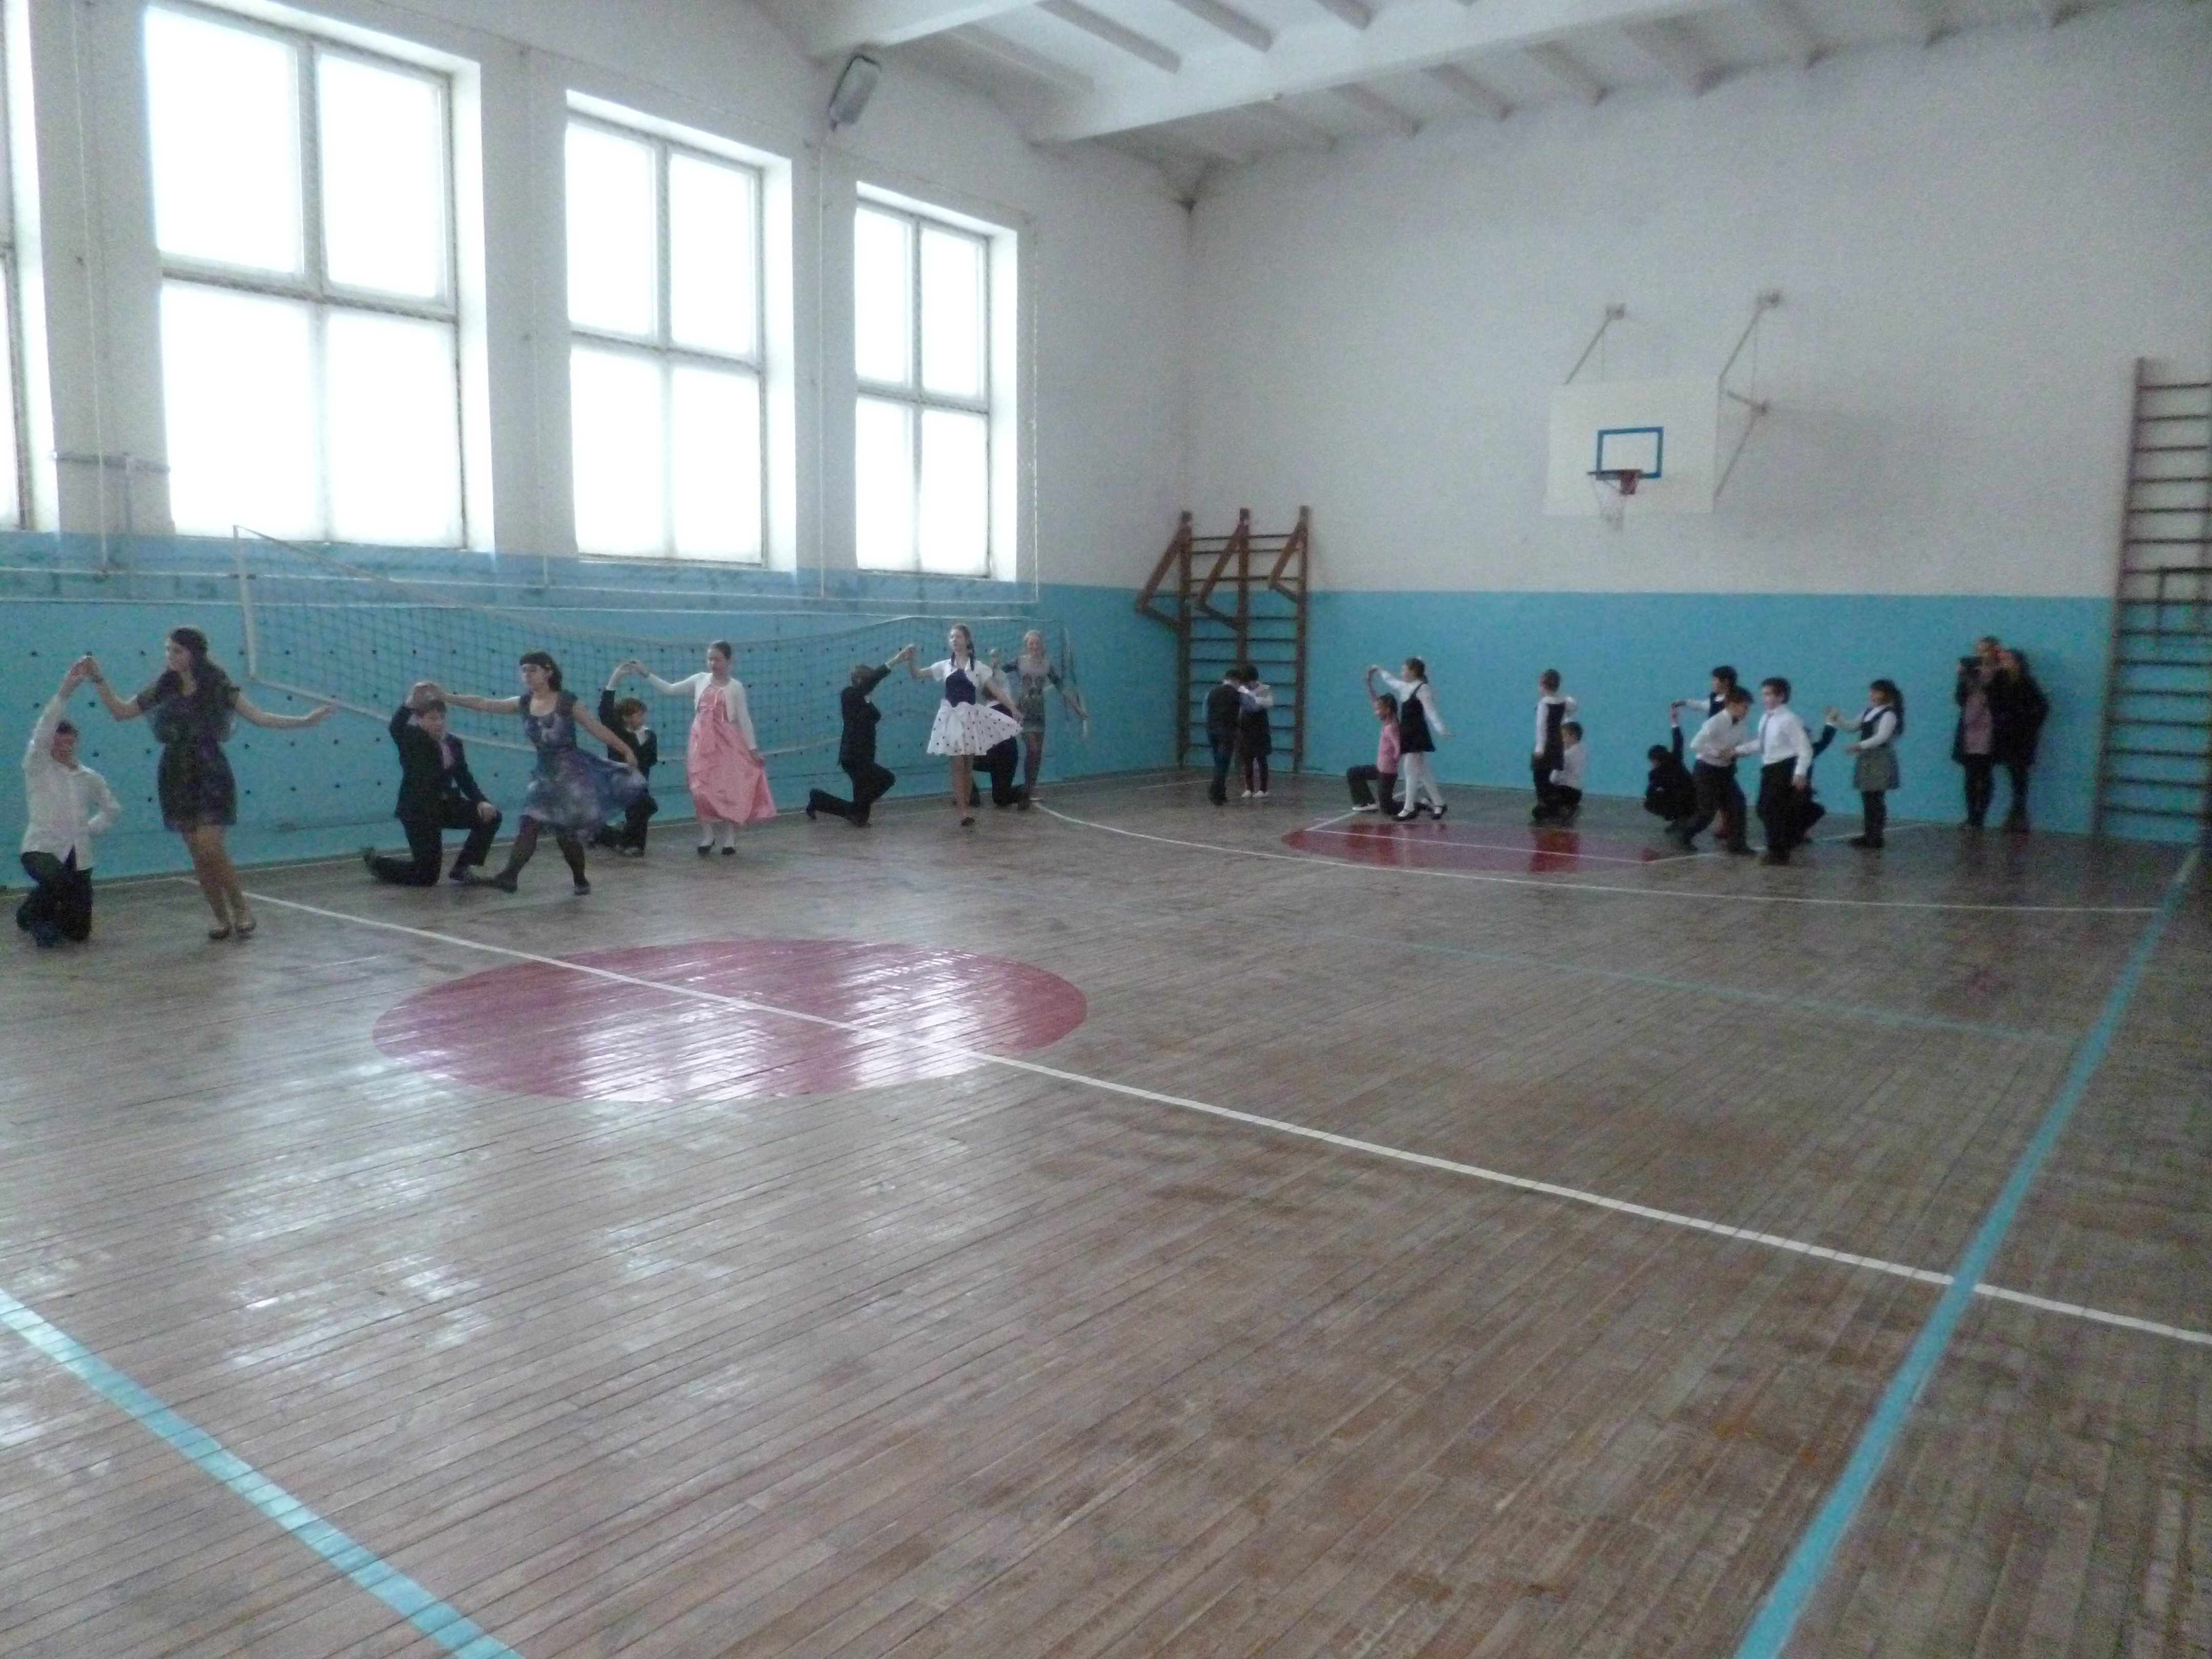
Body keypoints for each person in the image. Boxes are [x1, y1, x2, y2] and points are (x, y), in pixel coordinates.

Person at [81, 626, 333, 939]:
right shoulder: (164, 686)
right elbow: (121, 711)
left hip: (210, 768)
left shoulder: (218, 685)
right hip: (176, 770)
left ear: (194, 653)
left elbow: (260, 717)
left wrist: (304, 721)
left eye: (177, 650)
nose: (170, 656)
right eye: (168, 650)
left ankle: (241, 908)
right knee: (196, 851)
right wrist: (98, 678)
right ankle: (220, 917)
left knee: (210, 845)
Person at [428, 652, 639, 896]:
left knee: (566, 835)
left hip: (570, 777)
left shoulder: (566, 702)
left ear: (548, 672)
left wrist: (626, 750)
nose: (527, 675)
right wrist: (447, 697)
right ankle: (510, 876)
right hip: (544, 776)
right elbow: (484, 703)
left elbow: (596, 728)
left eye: (532, 670)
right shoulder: (524, 703)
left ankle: (580, 880)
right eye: (524, 671)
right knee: (530, 822)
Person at [619, 643, 774, 855]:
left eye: (717, 659)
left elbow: (744, 719)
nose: (713, 663)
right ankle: (708, 834)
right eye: (710, 659)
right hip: (700, 741)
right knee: (700, 788)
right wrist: (647, 674)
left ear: (728, 661)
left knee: (729, 788)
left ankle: (730, 838)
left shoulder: (736, 687)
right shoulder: (700, 679)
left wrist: (752, 749)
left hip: (727, 742)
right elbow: (671, 689)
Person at [18, 659, 120, 946]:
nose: (64, 747)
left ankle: (39, 914)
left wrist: (90, 828)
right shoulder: (38, 767)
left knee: (79, 933)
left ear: (76, 742)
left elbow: (112, 809)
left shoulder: (90, 777)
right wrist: (65, 691)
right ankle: (34, 916)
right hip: (41, 848)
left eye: (69, 742)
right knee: (58, 879)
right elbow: (42, 732)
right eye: (58, 742)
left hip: (80, 855)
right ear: (51, 744)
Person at [360, 684, 501, 886]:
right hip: (418, 811)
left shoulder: (454, 743)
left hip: (445, 806)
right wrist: (411, 702)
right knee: (426, 877)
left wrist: (481, 801)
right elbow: (396, 727)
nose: (439, 723)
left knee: (491, 817)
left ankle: (463, 868)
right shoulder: (412, 739)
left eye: (442, 718)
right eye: (433, 718)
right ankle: (378, 863)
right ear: (420, 720)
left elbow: (464, 777)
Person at [906, 625, 1024, 827]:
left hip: (970, 718)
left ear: (968, 641)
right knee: (958, 765)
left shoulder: (979, 667)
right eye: (952, 637)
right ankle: (963, 811)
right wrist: (912, 660)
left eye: (958, 636)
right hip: (952, 718)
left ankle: (967, 807)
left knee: (968, 766)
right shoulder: (944, 666)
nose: (954, 640)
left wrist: (1013, 708)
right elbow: (917, 674)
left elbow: (996, 690)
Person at [806, 647, 914, 826]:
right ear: (859, 680)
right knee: (887, 779)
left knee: (861, 817)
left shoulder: (867, 701)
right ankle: (848, 808)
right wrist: (895, 661)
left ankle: (819, 799)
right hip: (853, 756)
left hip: (866, 755)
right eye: (868, 680)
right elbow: (873, 681)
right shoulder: (849, 694)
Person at [1001, 629, 1087, 804]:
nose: (1034, 646)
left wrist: (1078, 708)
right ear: (1026, 645)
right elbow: (998, 672)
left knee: (1038, 753)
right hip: (1023, 711)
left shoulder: (1047, 666)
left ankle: (1031, 788)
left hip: (1039, 713)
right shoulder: (1019, 662)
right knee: (1032, 749)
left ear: (1041, 645)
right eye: (1031, 643)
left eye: (1037, 643)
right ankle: (1026, 788)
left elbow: (1062, 688)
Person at [1669, 686, 1755, 854]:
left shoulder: (1741, 725)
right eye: (1745, 707)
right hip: (1706, 771)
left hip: (1725, 771)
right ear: (1733, 705)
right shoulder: (1715, 722)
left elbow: (1743, 747)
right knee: (1707, 812)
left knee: (1738, 804)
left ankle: (1737, 845)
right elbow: (1696, 744)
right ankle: (1684, 835)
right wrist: (1717, 753)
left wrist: (1736, 752)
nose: (1747, 711)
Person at [1823, 679, 1905, 850]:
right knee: (1867, 798)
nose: (1872, 695)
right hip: (1867, 757)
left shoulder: (1889, 714)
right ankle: (1869, 834)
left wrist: (1859, 746)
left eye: (1876, 692)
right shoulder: (1869, 711)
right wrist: (1838, 718)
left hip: (1880, 758)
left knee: (1876, 798)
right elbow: (1852, 727)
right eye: (1871, 691)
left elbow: (1882, 737)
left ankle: (1876, 836)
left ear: (1886, 695)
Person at [1743, 676, 1815, 865]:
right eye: (1763, 694)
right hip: (1769, 767)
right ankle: (1785, 842)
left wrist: (1800, 773)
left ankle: (1778, 852)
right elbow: (1763, 743)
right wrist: (1738, 750)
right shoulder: (1766, 717)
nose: (1765, 698)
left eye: (1769, 694)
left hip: (1784, 767)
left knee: (1771, 810)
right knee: (1764, 809)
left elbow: (1804, 749)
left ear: (1781, 696)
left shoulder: (1789, 720)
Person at [1369, 659, 1448, 820]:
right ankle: (1439, 803)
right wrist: (1380, 670)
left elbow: (1431, 711)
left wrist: (1441, 728)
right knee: (1422, 771)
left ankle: (1409, 807)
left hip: (1417, 734)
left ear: (1413, 672)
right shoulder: (1406, 687)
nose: (1402, 672)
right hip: (1408, 733)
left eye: (1404, 670)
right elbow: (1391, 681)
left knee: (1410, 769)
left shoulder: (1423, 688)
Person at [594, 673, 659, 856]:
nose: (642, 718)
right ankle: (615, 839)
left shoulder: (650, 735)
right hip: (618, 781)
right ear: (625, 717)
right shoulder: (618, 734)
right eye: (638, 715)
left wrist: (639, 771)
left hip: (640, 781)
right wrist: (614, 679)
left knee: (641, 808)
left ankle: (632, 844)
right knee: (645, 804)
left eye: (642, 715)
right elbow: (605, 711)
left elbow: (651, 760)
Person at [1989, 647, 2050, 833]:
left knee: (2019, 775)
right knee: (2014, 774)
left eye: (2008, 660)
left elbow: (2042, 707)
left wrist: (2028, 725)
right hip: (2006, 735)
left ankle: (2019, 815)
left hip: (2022, 737)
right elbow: (1993, 703)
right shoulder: (1999, 682)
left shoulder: (2027, 682)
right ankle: (2016, 815)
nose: (2003, 663)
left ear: (2018, 663)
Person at [1952, 635, 2003, 828]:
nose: (1982, 655)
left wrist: (1985, 680)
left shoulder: (2001, 673)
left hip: (1990, 726)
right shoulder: (1971, 672)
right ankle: (1971, 815)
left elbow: (2000, 698)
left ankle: (1981, 816)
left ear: (1995, 651)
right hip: (1969, 726)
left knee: (1985, 772)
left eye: (1986, 650)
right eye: (1979, 651)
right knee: (1970, 774)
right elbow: (1959, 699)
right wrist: (1964, 679)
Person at [1530, 669, 1576, 823]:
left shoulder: (1544, 704)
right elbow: (1573, 706)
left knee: (1540, 779)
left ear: (1542, 685)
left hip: (1546, 745)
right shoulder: (1563, 702)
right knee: (1545, 777)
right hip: (1557, 743)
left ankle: (1553, 806)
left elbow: (1541, 727)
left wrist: (1540, 748)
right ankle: (1551, 806)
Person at [1347, 687, 1401, 814]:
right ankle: (1368, 802)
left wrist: (1396, 758)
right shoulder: (1387, 719)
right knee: (1353, 773)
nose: (1376, 713)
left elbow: (1398, 745)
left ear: (1387, 710)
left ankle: (1417, 805)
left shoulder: (1391, 727)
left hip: (1387, 773)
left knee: (1387, 808)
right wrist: (1369, 684)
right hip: (1379, 769)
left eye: (1378, 710)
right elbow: (1375, 701)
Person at [1645, 713, 1697, 830]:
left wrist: (1652, 781)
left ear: (1655, 760)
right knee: (1669, 798)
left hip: (1686, 799)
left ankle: (1681, 819)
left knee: (1651, 803)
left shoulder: (1656, 773)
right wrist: (1674, 721)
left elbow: (1650, 793)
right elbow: (1679, 741)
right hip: (1693, 796)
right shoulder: (1675, 759)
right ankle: (1680, 819)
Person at [1204, 668, 1243, 807]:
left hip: (1212, 729)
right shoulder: (1237, 695)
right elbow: (1242, 712)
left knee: (1218, 761)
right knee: (1224, 763)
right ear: (1236, 681)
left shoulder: (1212, 693)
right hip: (1227, 731)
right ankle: (1215, 791)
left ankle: (1221, 793)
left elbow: (1205, 711)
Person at [1237, 666, 1274, 799]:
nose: (1248, 685)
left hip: (1260, 728)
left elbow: (1269, 704)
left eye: (1250, 682)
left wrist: (1257, 699)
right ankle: (1249, 788)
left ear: (1255, 680)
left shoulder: (1265, 689)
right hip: (1246, 727)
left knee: (1261, 758)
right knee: (1247, 759)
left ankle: (1263, 789)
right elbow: (1243, 707)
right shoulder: (1242, 690)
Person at [1541, 721, 1588, 826]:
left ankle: (1563, 810)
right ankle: (1569, 807)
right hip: (1577, 792)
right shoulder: (1582, 750)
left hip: (1566, 790)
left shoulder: (1567, 755)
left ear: (1573, 737)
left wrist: (1550, 784)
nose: (1561, 740)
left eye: (1563, 736)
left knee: (1546, 798)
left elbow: (1557, 774)